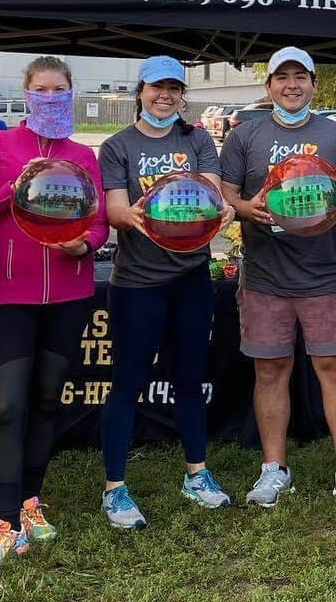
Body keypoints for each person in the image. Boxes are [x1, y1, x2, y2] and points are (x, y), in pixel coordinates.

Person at [0, 56, 109, 570]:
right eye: (40, 90)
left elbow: (100, 223)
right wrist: (11, 189)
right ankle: (3, 521)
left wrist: (84, 247)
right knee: (6, 406)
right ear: (26, 95)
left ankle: (30, 503)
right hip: (7, 293)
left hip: (69, 293)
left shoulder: (82, 155)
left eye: (59, 90)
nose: (50, 98)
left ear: (70, 94)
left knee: (46, 402)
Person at [220, 47, 336, 509]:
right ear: (268, 87)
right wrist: (247, 209)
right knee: (271, 371)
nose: (291, 85)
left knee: (335, 369)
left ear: (314, 83)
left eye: (300, 77)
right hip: (266, 275)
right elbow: (226, 193)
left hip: (326, 274)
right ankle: (274, 469)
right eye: (281, 78)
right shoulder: (245, 135)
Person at [98, 55, 234, 529]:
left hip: (191, 278)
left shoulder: (197, 139)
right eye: (157, 88)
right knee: (127, 382)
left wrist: (221, 211)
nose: (166, 96)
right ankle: (115, 487)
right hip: (137, 284)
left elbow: (211, 194)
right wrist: (134, 215)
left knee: (190, 379)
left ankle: (196, 473)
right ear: (140, 91)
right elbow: (115, 210)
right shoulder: (117, 145)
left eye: (174, 88)